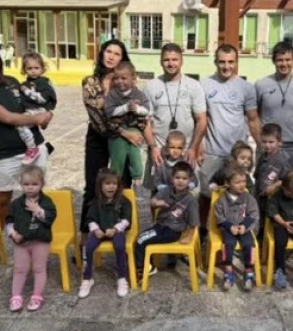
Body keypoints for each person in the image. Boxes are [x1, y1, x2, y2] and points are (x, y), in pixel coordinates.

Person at [0, 46, 52, 227]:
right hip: (6, 153)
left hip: (35, 149)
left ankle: (35, 230)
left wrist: (46, 114)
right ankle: (8, 232)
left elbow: (30, 105)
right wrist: (38, 118)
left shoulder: (12, 82)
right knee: (3, 199)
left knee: (36, 193)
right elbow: (8, 118)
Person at [198, 44, 262, 242]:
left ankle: (238, 233)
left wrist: (261, 146)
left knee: (238, 195)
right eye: (222, 62)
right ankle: (203, 233)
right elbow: (200, 119)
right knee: (206, 195)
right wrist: (198, 145)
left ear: (237, 62)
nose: (226, 66)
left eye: (230, 62)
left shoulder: (246, 88)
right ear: (215, 62)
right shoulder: (204, 84)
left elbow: (253, 120)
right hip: (211, 151)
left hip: (236, 156)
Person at [80, 40, 134, 243]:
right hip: (99, 136)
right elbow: (98, 113)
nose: (111, 56)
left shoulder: (125, 82)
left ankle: (123, 236)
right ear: (102, 54)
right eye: (108, 51)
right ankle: (85, 239)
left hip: (122, 140)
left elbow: (133, 112)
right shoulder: (90, 82)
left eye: (117, 53)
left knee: (123, 185)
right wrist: (124, 131)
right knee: (92, 186)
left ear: (123, 58)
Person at [143, 43, 208, 191]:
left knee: (189, 193)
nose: (171, 63)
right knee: (158, 192)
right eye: (166, 60)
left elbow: (201, 120)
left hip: (186, 151)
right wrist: (153, 147)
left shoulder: (194, 86)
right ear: (160, 61)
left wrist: (194, 147)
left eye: (174, 59)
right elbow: (145, 121)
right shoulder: (151, 86)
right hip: (161, 151)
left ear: (181, 61)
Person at [134, 161, 199, 279]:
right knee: (141, 238)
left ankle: (142, 269)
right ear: (172, 178)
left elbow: (194, 221)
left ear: (189, 180)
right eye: (177, 178)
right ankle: (148, 266)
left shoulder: (190, 199)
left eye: (184, 178)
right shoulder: (166, 190)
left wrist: (189, 236)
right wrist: (157, 203)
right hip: (160, 225)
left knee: (141, 239)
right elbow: (152, 202)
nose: (180, 181)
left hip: (173, 231)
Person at [6, 165, 57, 312]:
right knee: (19, 268)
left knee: (39, 268)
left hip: (40, 241)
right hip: (21, 242)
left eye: (34, 184)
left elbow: (51, 217)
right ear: (21, 184)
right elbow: (9, 220)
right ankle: (16, 296)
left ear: (42, 184)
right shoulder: (16, 204)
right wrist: (12, 233)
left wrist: (38, 210)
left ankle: (37, 296)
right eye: (26, 184)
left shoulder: (47, 202)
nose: (30, 187)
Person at [80, 168, 133, 298]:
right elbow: (90, 219)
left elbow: (126, 220)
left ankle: (122, 277)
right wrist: (96, 229)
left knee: (120, 247)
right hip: (99, 231)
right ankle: (87, 278)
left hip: (116, 231)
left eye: (114, 183)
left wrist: (115, 229)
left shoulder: (124, 202)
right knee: (88, 247)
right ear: (100, 186)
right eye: (107, 183)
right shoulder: (96, 202)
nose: (111, 186)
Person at [255, 41, 293, 160]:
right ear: (274, 61)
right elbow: (254, 114)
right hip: (269, 145)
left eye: (288, 59)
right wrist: (260, 140)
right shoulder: (261, 85)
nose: (284, 63)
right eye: (280, 60)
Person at [104, 61, 152, 193]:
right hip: (117, 131)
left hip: (133, 129)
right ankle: (114, 183)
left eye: (123, 78)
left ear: (133, 78)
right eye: (116, 78)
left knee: (135, 156)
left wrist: (137, 109)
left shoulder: (139, 94)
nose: (120, 81)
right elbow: (109, 112)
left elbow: (147, 110)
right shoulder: (112, 95)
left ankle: (138, 180)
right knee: (117, 159)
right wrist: (125, 108)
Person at [213, 165, 259, 291]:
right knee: (228, 243)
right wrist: (229, 226)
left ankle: (248, 270)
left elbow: (253, 214)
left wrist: (245, 225)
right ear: (228, 183)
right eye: (237, 182)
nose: (242, 185)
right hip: (228, 228)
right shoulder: (222, 200)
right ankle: (228, 271)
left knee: (249, 244)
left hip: (244, 228)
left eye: (243, 181)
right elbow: (219, 216)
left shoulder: (248, 198)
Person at [17, 52, 58, 165]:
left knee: (20, 124)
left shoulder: (44, 83)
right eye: (29, 68)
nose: (33, 71)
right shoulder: (25, 83)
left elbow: (42, 99)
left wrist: (26, 91)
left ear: (42, 68)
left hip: (40, 109)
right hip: (31, 110)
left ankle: (31, 148)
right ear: (24, 69)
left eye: (36, 68)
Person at [254, 123, 290, 242]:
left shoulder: (282, 160)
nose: (267, 145)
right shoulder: (262, 157)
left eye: (271, 142)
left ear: (279, 142)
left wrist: (275, 185)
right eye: (264, 142)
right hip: (259, 197)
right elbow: (257, 176)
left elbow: (288, 179)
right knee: (258, 222)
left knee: (271, 226)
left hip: (273, 200)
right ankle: (259, 244)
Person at [151, 130, 198, 196]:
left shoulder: (186, 164)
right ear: (167, 146)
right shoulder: (161, 164)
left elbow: (194, 181)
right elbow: (156, 181)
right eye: (172, 147)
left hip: (183, 195)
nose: (175, 151)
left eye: (179, 148)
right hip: (166, 195)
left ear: (183, 148)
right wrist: (166, 189)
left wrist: (187, 186)